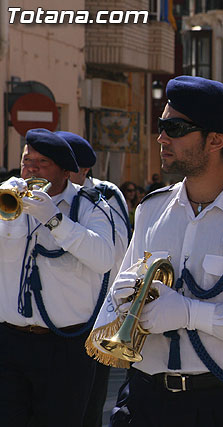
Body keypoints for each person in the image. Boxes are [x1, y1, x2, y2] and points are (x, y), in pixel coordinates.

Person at [95, 76, 223, 427]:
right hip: (142, 399)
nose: (161, 137)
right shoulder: (152, 208)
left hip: (219, 403)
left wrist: (192, 314)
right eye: (161, 126)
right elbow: (126, 289)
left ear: (217, 140)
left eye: (174, 128)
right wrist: (123, 298)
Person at [0, 128, 116, 426]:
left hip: (64, 346)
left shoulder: (91, 205)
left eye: (42, 163)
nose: (31, 169)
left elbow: (104, 259)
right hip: (9, 340)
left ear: (66, 171)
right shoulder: (8, 199)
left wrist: (54, 219)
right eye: (27, 161)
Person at [57, 130, 131, 427]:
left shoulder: (105, 196)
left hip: (92, 316)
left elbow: (117, 256)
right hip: (50, 318)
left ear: (81, 170)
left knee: (88, 403)